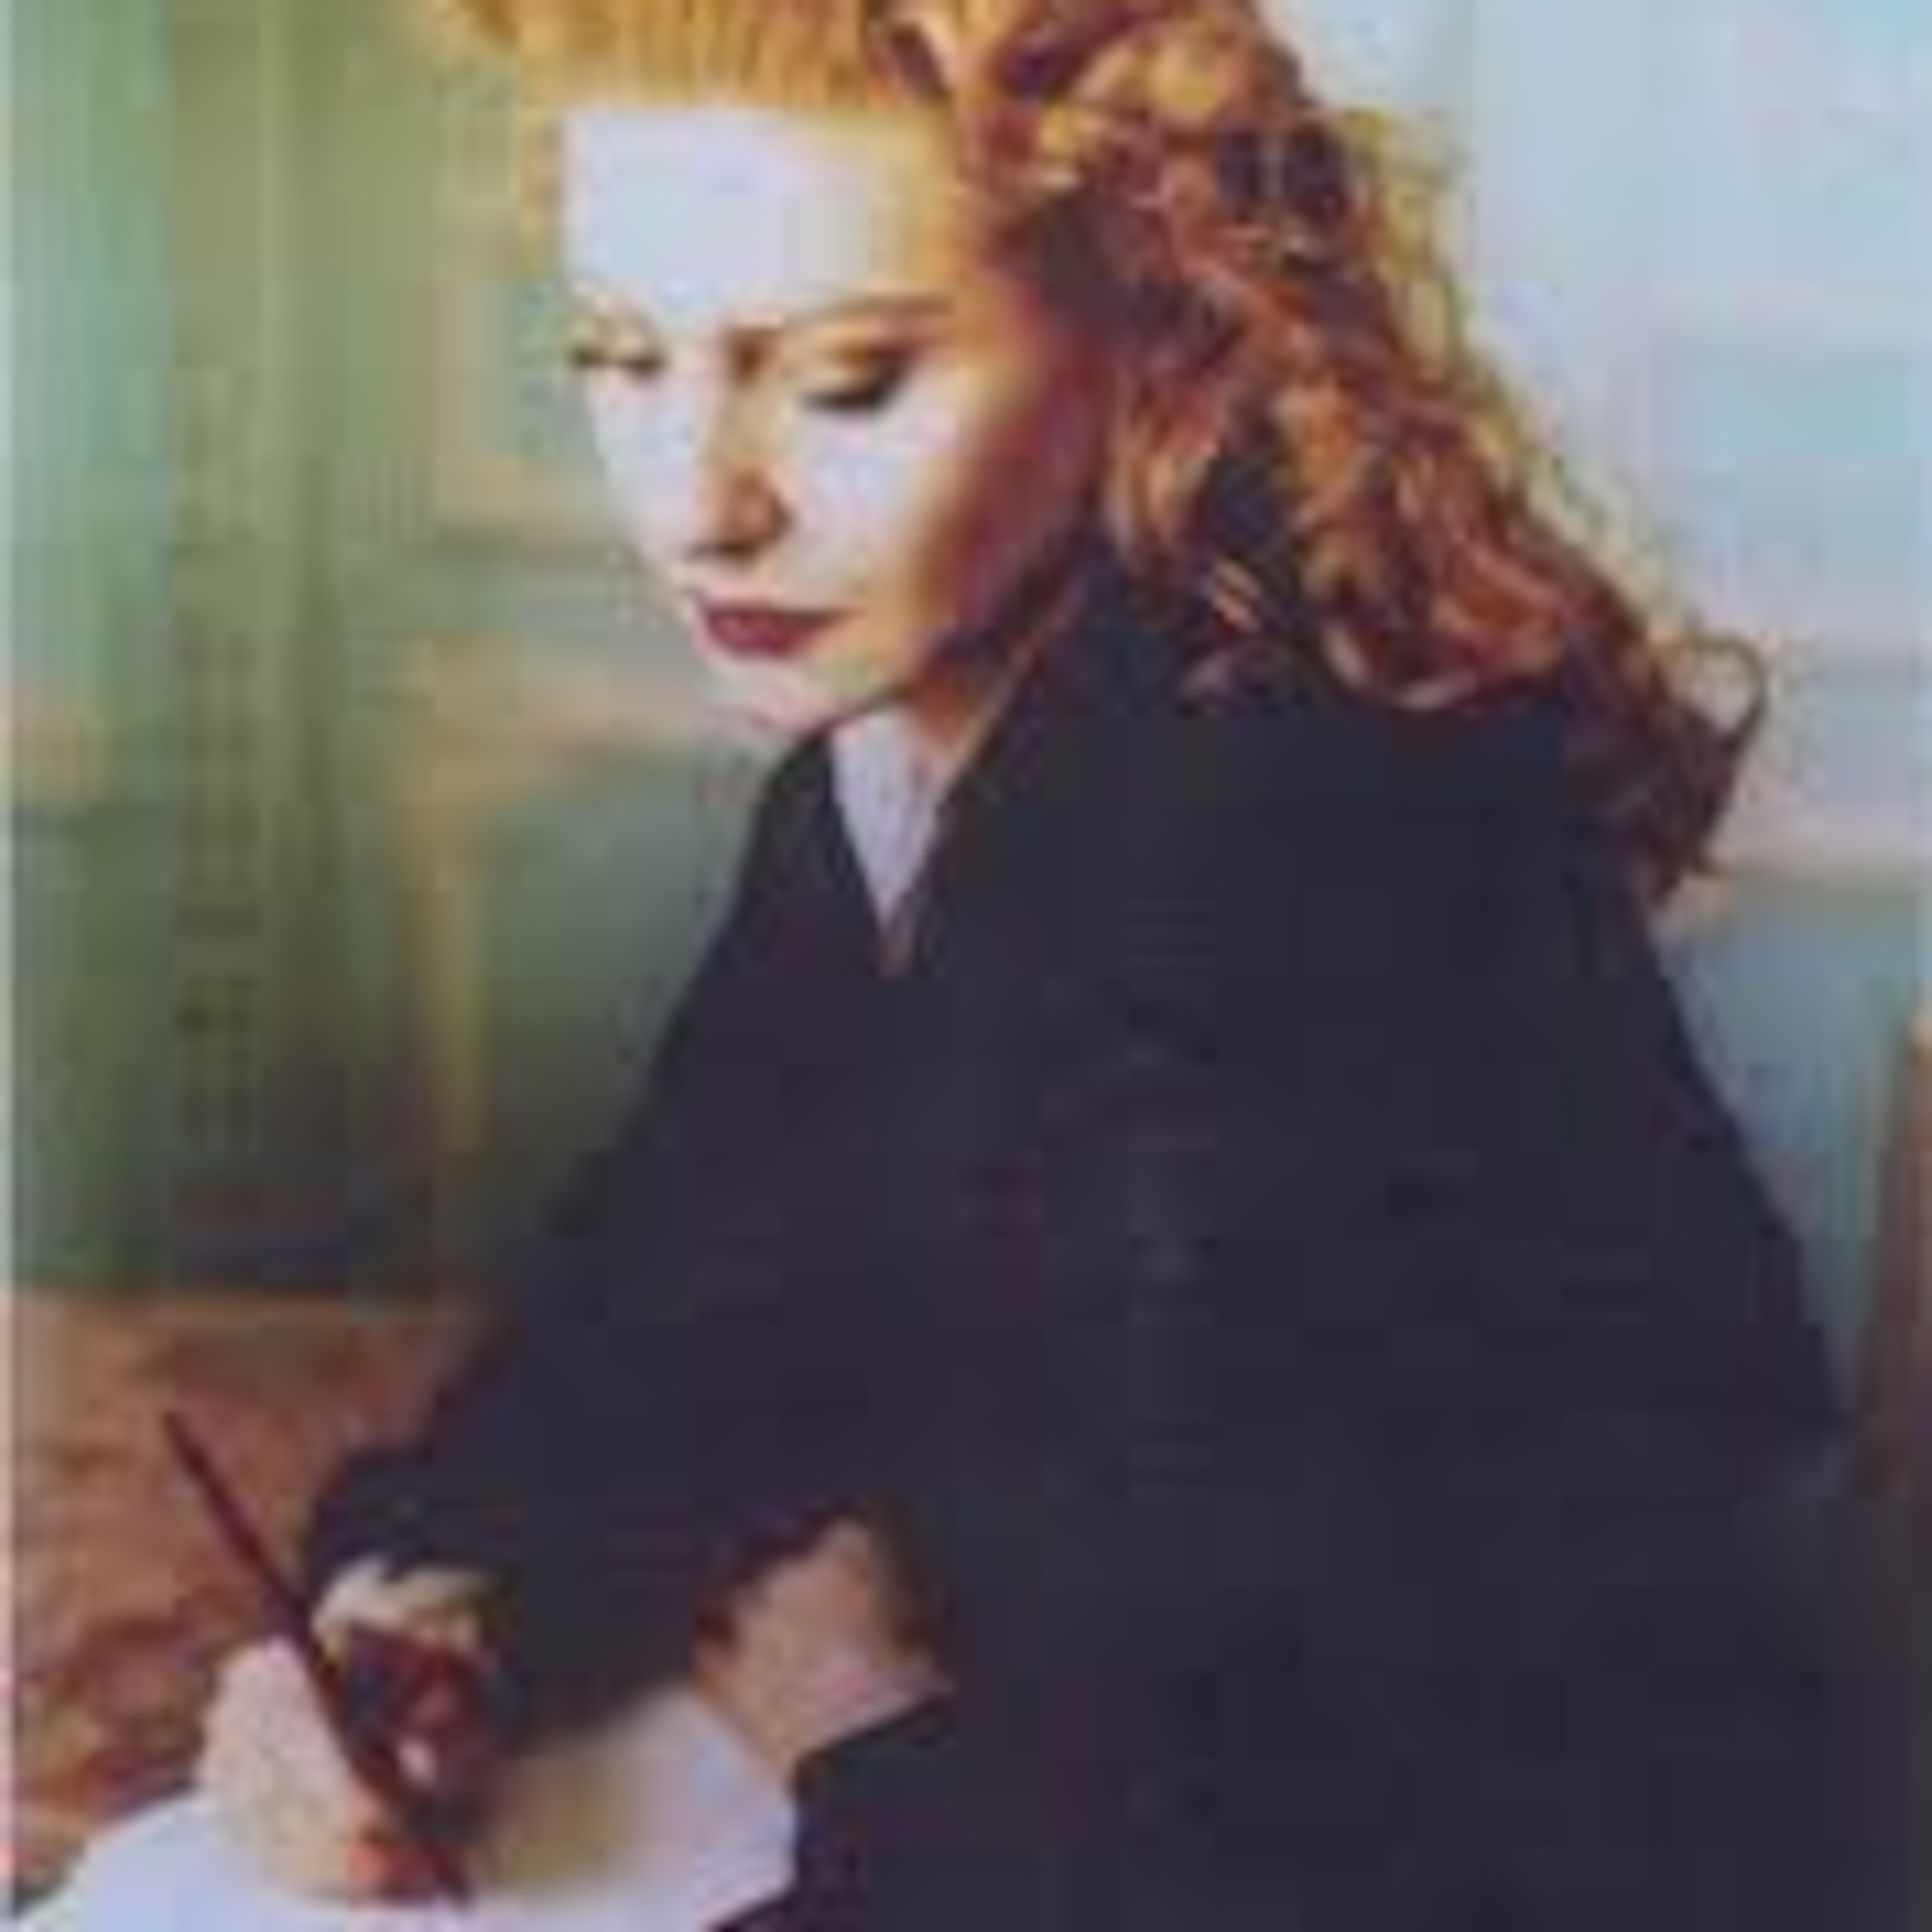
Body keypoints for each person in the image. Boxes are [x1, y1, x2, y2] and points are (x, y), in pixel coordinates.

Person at [25, 1, 1852, 1927]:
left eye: (846, 381)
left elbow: (1335, 1826)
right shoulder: (905, 754)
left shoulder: (1301, 865)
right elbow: (670, 1297)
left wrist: (858, 1730)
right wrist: (427, 1617)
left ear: (1156, 338)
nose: (697, 500)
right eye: (623, 356)